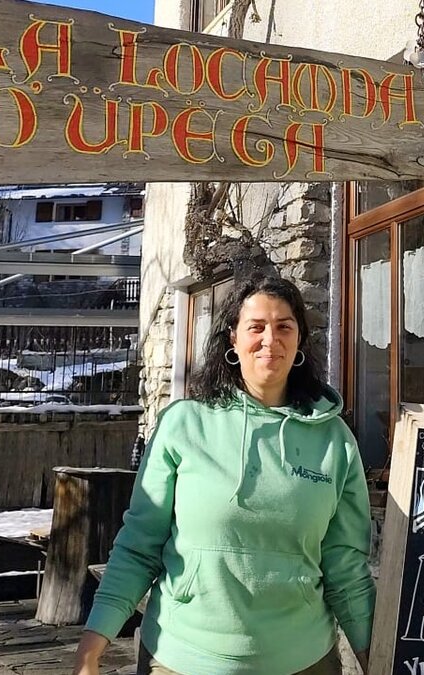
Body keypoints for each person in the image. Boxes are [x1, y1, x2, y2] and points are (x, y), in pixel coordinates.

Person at [73, 273, 375, 675]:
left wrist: (377, 653)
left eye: (284, 326)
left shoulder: (334, 440)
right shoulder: (184, 424)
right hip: (183, 659)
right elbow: (139, 546)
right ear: (232, 338)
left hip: (304, 660)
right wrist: (94, 642)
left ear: (300, 340)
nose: (271, 339)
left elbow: (345, 566)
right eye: (256, 327)